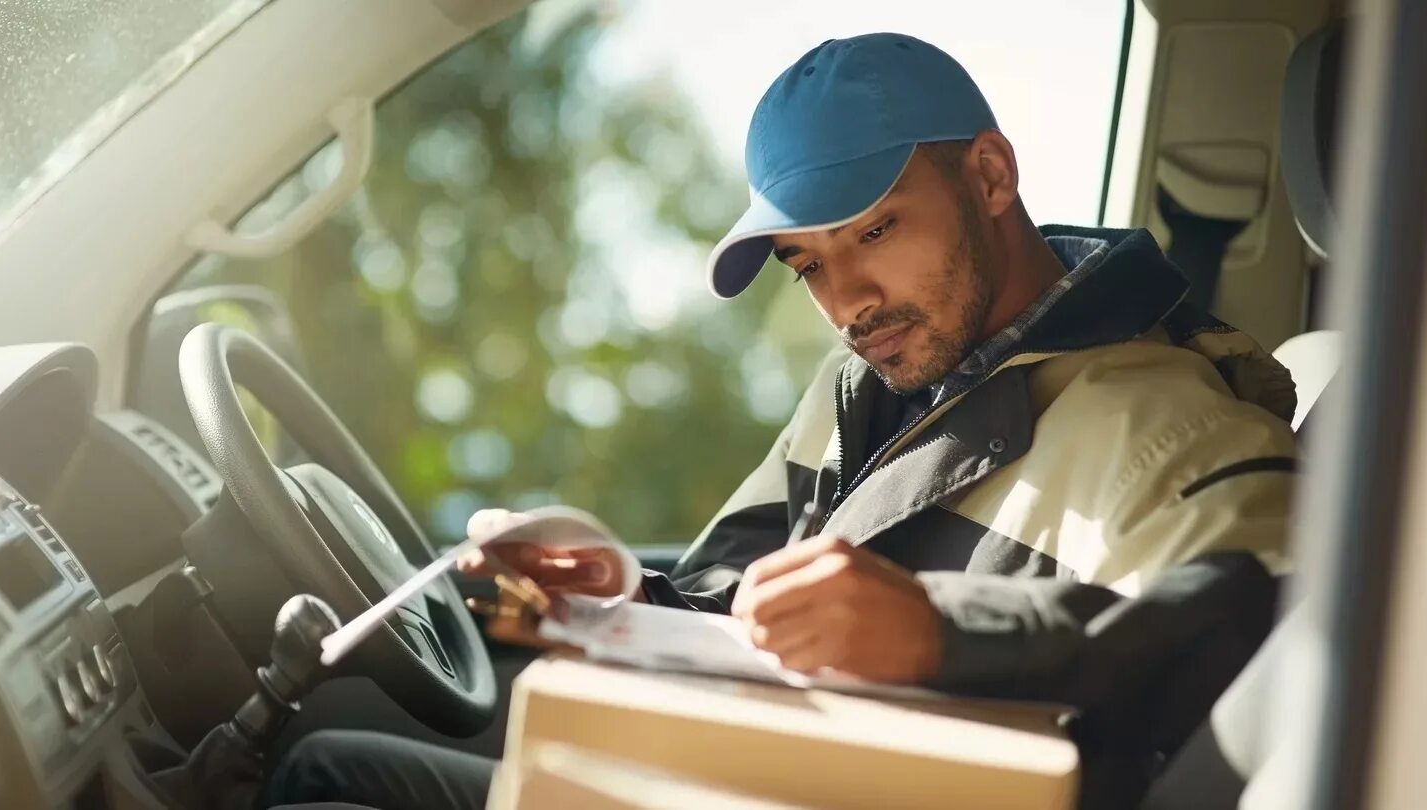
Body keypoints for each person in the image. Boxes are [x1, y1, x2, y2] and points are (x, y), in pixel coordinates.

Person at [264, 32, 1296, 809]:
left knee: (327, 780)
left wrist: (943, 635)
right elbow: (727, 608)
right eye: (808, 264)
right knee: (328, 768)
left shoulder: (1172, 420)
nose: (848, 302)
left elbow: (1273, 639)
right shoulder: (865, 388)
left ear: (989, 175)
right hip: (757, 768)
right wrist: (607, 592)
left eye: (874, 231)